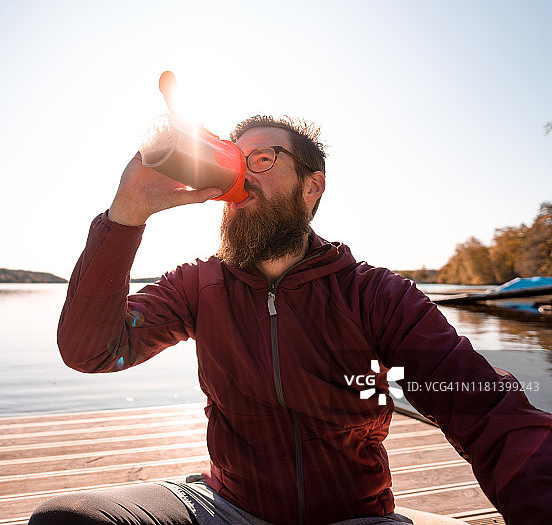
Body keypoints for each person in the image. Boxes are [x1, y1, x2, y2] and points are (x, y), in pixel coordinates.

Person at [28, 116, 552, 525]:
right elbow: (93, 350)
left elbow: (489, 413)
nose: (239, 175)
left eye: (262, 159)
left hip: (354, 519)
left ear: (312, 186)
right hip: (227, 507)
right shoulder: (197, 285)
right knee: (67, 521)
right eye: (234, 160)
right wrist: (127, 213)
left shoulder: (376, 295)